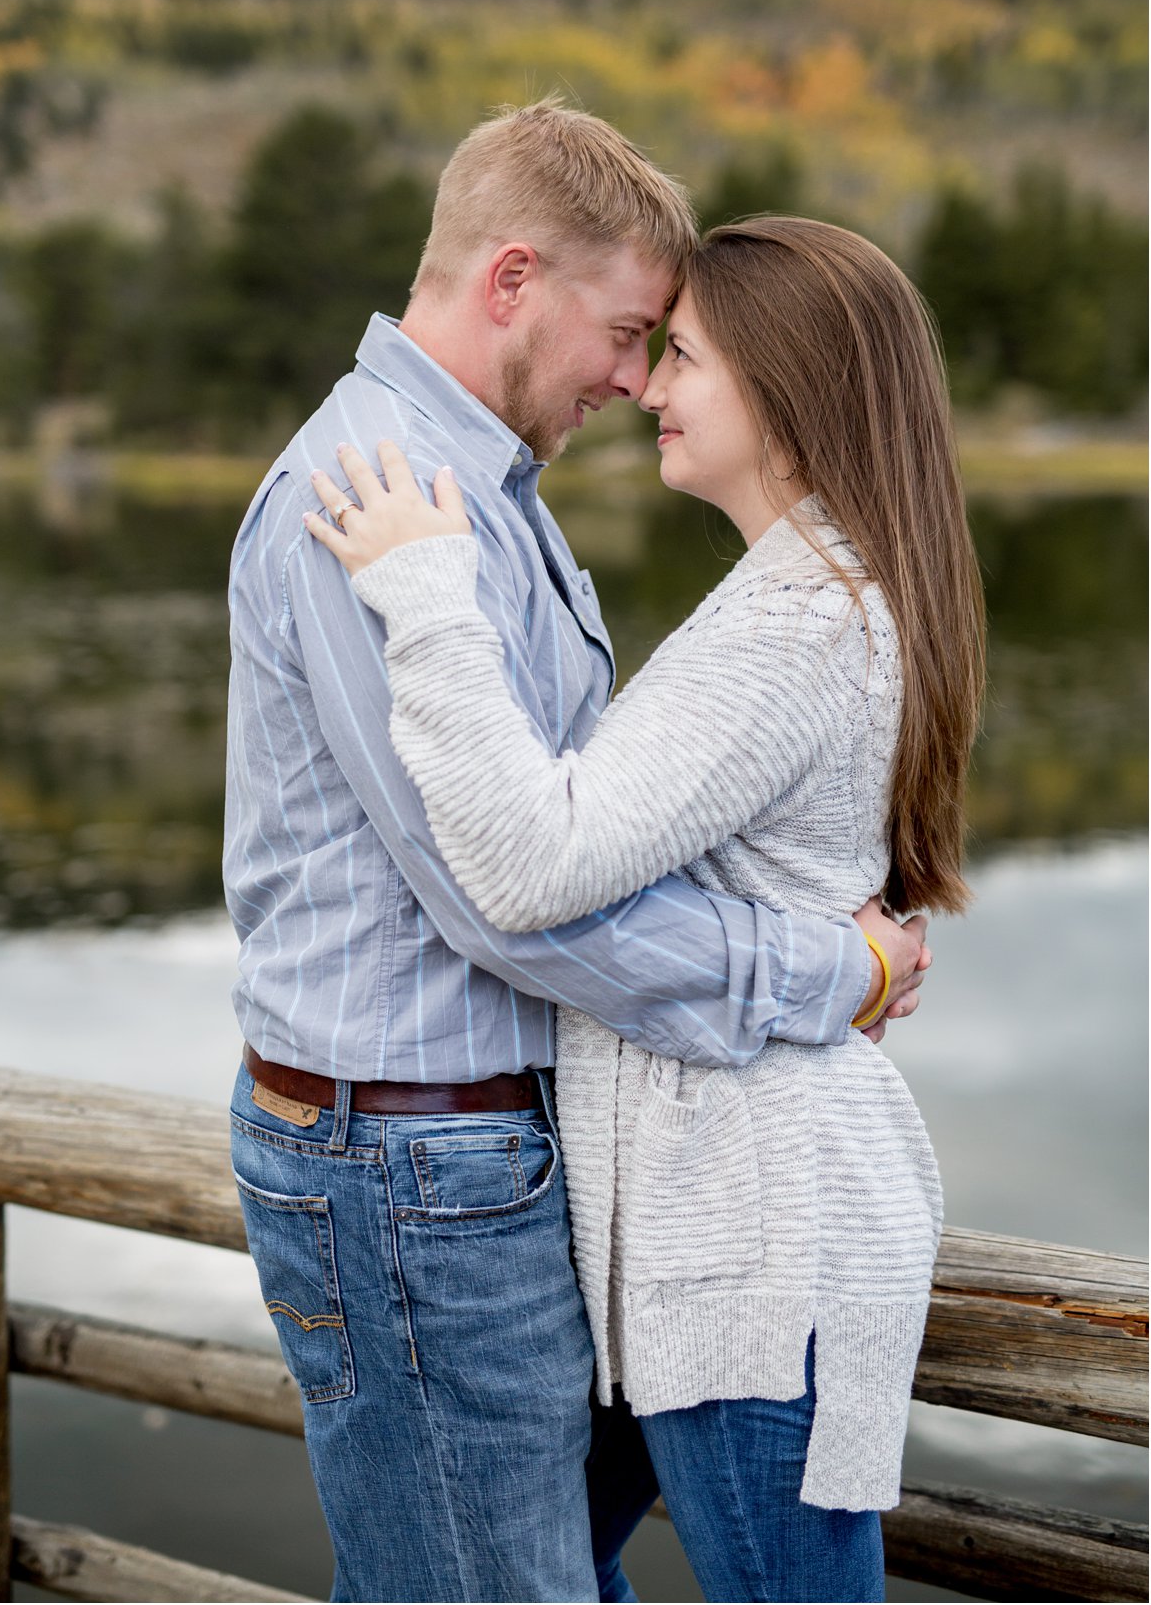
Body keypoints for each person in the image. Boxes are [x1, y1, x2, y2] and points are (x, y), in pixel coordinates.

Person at [224, 103, 928, 1605]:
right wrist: (823, 966)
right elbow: (514, 894)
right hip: (407, 1154)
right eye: (627, 334)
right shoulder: (371, 504)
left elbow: (581, 850)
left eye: (667, 350)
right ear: (510, 281)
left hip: (481, 1154)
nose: (631, 377)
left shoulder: (482, 503)